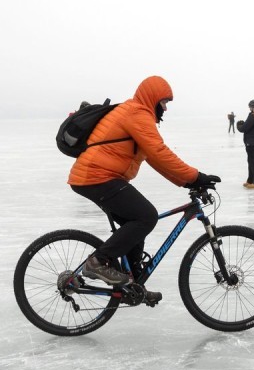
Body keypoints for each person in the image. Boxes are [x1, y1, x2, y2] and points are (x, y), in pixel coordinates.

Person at [68, 75, 219, 302]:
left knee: (135, 223)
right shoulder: (137, 114)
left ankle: (132, 282)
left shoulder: (137, 113)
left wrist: (187, 181)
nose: (166, 108)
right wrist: (196, 177)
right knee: (146, 216)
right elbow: (160, 152)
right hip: (96, 176)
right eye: (165, 102)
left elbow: (155, 159)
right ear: (154, 98)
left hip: (98, 176)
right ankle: (97, 263)